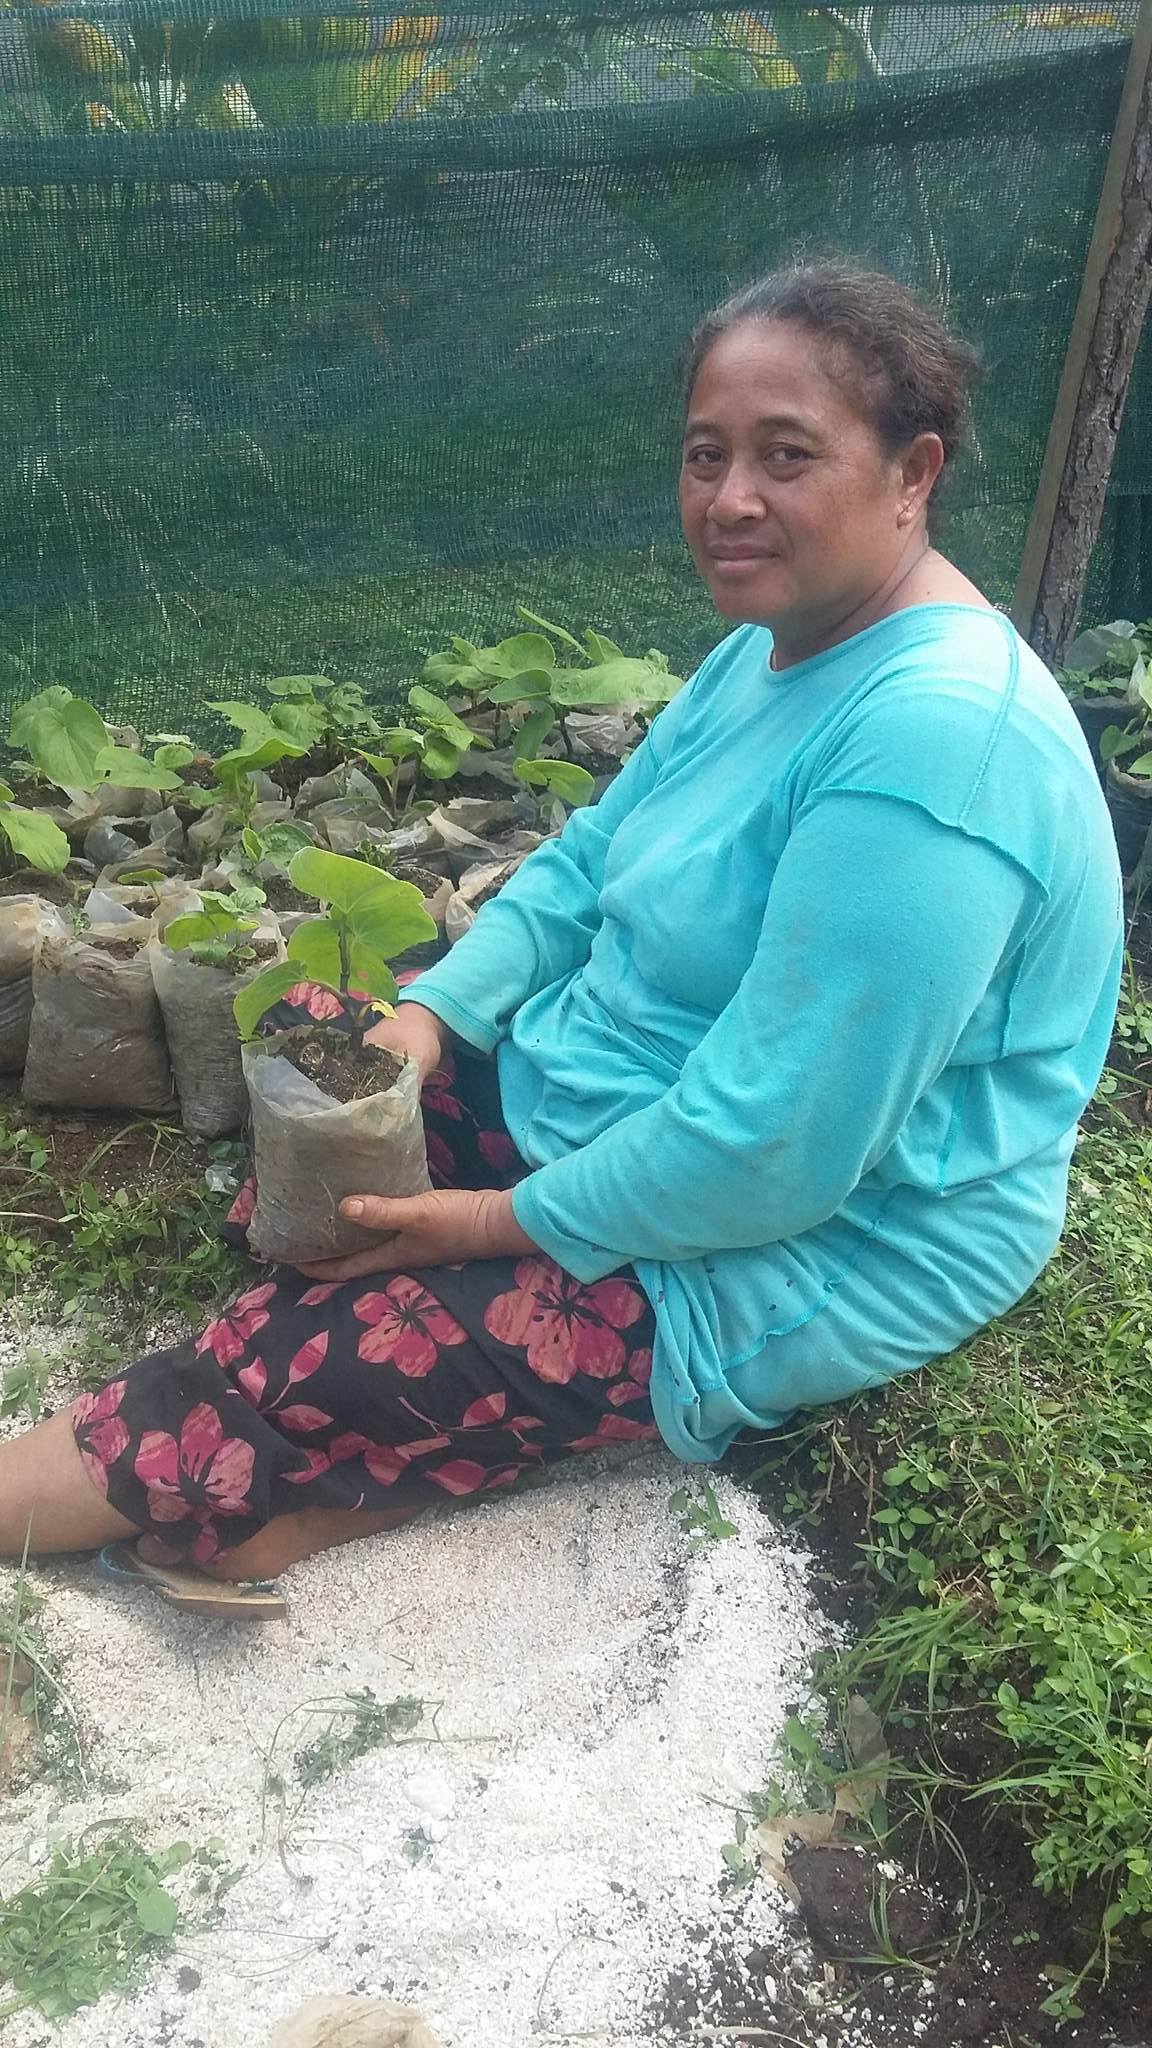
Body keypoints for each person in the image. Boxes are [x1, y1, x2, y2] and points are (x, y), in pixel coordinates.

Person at [0, 260, 1122, 1615]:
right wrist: (425, 1026)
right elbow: (588, 862)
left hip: (809, 1233)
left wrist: (486, 1226)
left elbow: (775, 1147)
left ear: (912, 471)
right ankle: (378, 1443)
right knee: (325, 1094)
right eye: (706, 455)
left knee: (293, 1356)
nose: (730, 499)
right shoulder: (775, 644)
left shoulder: (937, 748)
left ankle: (291, 1460)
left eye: (787, 455)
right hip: (628, 1100)